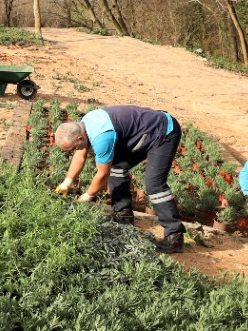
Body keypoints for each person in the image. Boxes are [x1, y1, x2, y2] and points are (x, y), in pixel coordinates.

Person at [54, 105, 184, 253]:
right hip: (144, 131)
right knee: (117, 167)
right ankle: (123, 215)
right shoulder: (84, 125)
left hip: (164, 132)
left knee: (154, 184)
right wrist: (67, 182)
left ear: (79, 137)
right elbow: (80, 155)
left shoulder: (101, 138)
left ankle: (175, 235)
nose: (75, 151)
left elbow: (103, 174)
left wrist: (87, 195)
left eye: (73, 147)